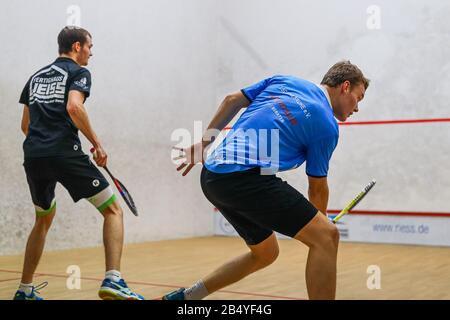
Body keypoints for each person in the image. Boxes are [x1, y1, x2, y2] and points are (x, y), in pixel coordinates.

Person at [165, 61, 369, 300]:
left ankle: (186, 297)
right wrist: (320, 223)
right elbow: (317, 186)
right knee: (327, 237)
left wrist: (204, 143)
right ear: (345, 86)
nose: (357, 109)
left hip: (212, 176)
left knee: (265, 253)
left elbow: (232, 100)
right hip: (245, 178)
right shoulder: (326, 124)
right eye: (359, 97)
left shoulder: (286, 81)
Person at [14, 26, 143, 300]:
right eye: (89, 47)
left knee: (43, 218)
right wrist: (97, 143)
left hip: (34, 156)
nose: (91, 53)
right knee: (113, 211)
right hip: (64, 153)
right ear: (76, 46)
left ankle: (24, 290)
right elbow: (74, 107)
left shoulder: (35, 77)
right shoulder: (78, 73)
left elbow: (25, 125)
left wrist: (45, 145)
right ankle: (114, 280)